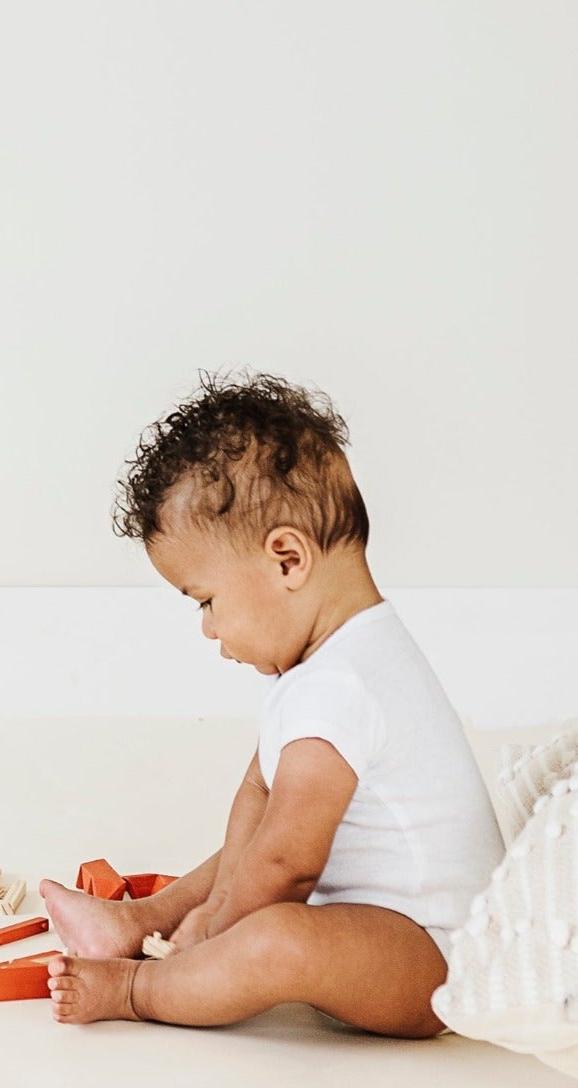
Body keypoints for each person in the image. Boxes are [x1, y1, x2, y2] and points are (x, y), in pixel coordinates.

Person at [40, 372, 503, 1034]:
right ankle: (138, 920)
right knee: (247, 858)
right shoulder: (335, 658)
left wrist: (217, 931)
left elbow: (289, 864)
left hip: (431, 963)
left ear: (287, 560)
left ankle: (141, 987)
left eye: (206, 600)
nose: (208, 628)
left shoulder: (342, 686)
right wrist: (213, 899)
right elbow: (258, 796)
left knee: (276, 935)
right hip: (375, 927)